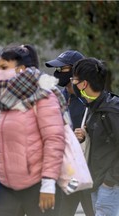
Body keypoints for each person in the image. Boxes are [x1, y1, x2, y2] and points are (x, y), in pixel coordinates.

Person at [0, 44, 67, 216]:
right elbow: (2, 146)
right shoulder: (3, 101)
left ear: (21, 69)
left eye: (4, 67)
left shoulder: (44, 96)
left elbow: (54, 140)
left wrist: (48, 183)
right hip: (5, 185)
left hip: (37, 183)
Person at [45, 50, 94, 216]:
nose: (57, 73)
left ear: (76, 71)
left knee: (94, 212)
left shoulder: (91, 98)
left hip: (91, 174)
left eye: (62, 69)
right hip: (69, 174)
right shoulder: (58, 98)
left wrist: (87, 135)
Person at [71, 57, 119, 216]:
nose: (73, 83)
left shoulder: (111, 111)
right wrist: (85, 136)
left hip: (109, 188)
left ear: (84, 84)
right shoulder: (93, 107)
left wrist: (110, 181)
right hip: (97, 183)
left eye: (75, 80)